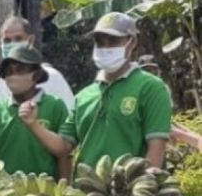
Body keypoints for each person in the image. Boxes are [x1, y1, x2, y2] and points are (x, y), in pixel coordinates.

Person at [20, 12, 172, 169]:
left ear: (132, 42)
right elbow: (64, 146)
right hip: (88, 189)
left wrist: (142, 189)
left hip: (130, 187)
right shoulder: (84, 96)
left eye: (113, 41)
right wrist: (33, 124)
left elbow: (156, 150)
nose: (105, 47)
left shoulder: (151, 87)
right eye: (100, 42)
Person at [0, 44, 70, 179]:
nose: (13, 76)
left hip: (44, 189)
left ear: (35, 75)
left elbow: (64, 153)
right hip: (6, 189)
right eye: (9, 72)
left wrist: (64, 189)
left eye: (20, 70)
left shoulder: (54, 105)